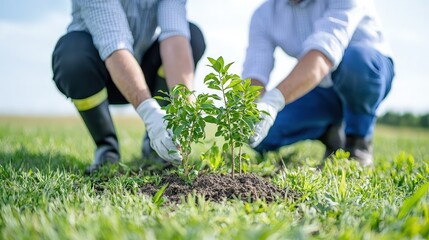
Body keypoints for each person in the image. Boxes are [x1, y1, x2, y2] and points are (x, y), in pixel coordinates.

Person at [51, 0, 206, 174]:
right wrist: (150, 114)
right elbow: (114, 43)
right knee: (72, 56)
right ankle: (106, 148)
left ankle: (156, 145)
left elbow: (175, 39)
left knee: (192, 36)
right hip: (100, 74)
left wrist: (184, 109)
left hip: (143, 72)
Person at [243, 0, 395, 166]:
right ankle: (331, 132)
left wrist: (273, 101)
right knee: (264, 136)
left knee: (355, 62)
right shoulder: (264, 14)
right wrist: (253, 109)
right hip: (319, 88)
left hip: (365, 75)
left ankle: (357, 142)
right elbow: (256, 69)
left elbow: (323, 54)